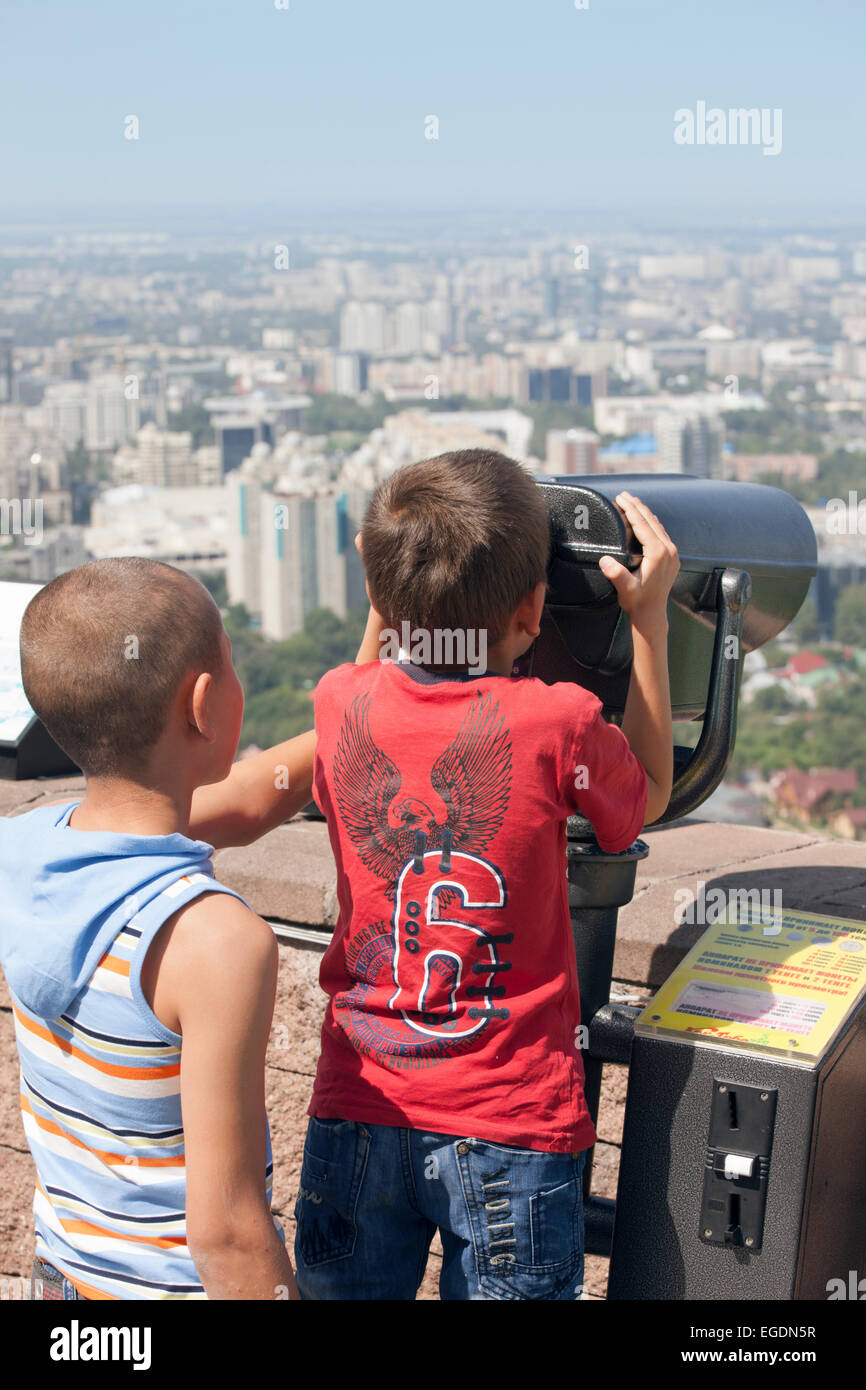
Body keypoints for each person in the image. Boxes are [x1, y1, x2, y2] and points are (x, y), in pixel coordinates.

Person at [295, 449, 679, 1300]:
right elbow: (644, 796)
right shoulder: (559, 723)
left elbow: (369, 676)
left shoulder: (336, 704)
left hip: (359, 1107)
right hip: (512, 1124)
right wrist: (649, 621)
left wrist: (390, 591)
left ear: (375, 593)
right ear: (535, 608)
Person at [0, 557, 318, 1300]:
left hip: (68, 1284)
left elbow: (244, 800)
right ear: (204, 704)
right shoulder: (214, 943)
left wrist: (369, 690)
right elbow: (227, 1230)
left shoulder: (24, 848)